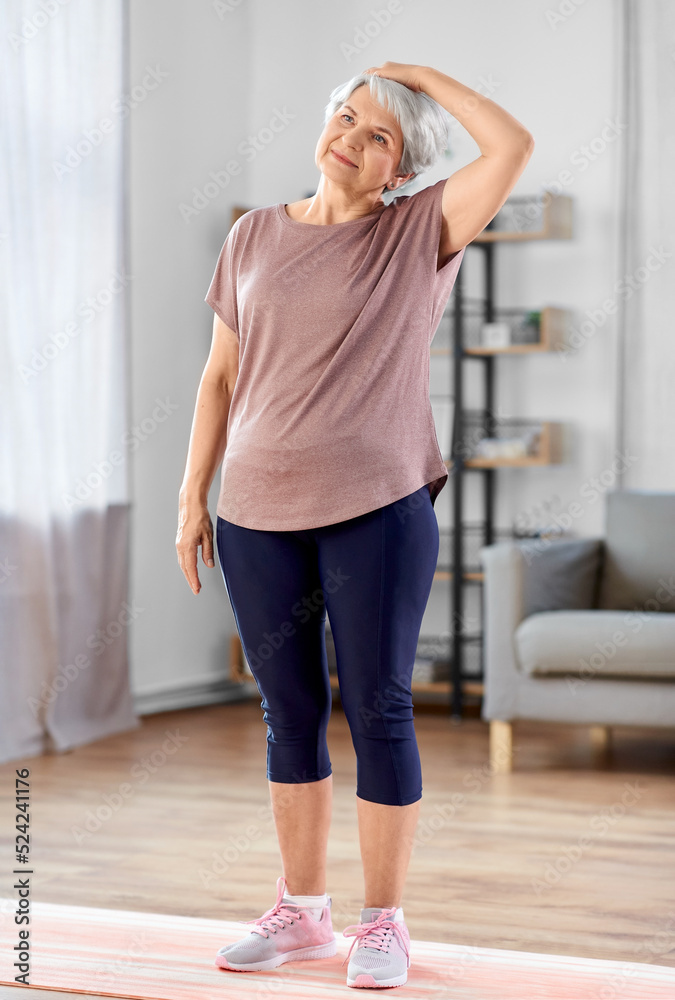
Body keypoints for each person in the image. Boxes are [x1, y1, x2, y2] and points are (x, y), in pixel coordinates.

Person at [176, 61, 533, 990]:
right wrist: (191, 497)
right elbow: (220, 377)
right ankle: (301, 914)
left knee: (376, 707)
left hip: (377, 506)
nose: (351, 137)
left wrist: (411, 76)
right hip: (255, 511)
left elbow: (512, 146)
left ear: (399, 171)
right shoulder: (253, 235)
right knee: (287, 712)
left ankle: (383, 925)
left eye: (379, 135)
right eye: (345, 116)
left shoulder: (420, 232)